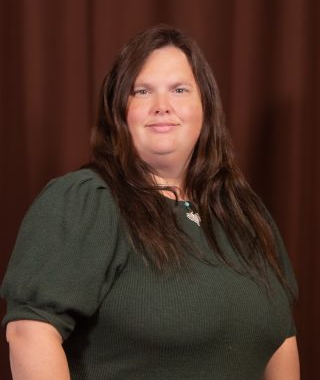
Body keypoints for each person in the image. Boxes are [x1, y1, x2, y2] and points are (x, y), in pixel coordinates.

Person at [1, 25, 299, 379]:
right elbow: (29, 334)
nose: (162, 106)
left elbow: (281, 341)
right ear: (119, 111)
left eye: (179, 89)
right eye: (142, 91)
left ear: (205, 106)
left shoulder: (244, 214)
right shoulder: (86, 202)